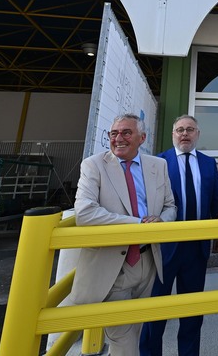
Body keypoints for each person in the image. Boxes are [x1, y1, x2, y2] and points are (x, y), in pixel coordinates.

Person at [69, 113, 177, 356]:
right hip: (112, 266)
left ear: (142, 138)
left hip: (149, 262)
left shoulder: (158, 166)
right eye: (114, 133)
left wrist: (161, 220)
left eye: (126, 133)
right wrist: (139, 224)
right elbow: (85, 213)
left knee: (136, 332)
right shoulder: (93, 164)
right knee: (123, 340)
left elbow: (170, 206)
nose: (118, 138)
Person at [140, 115, 218, 356]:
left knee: (192, 314)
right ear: (173, 134)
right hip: (163, 249)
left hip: (197, 249)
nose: (184, 134)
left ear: (198, 133)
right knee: (155, 312)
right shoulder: (157, 162)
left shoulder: (209, 163)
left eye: (190, 129)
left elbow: (216, 200)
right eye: (180, 130)